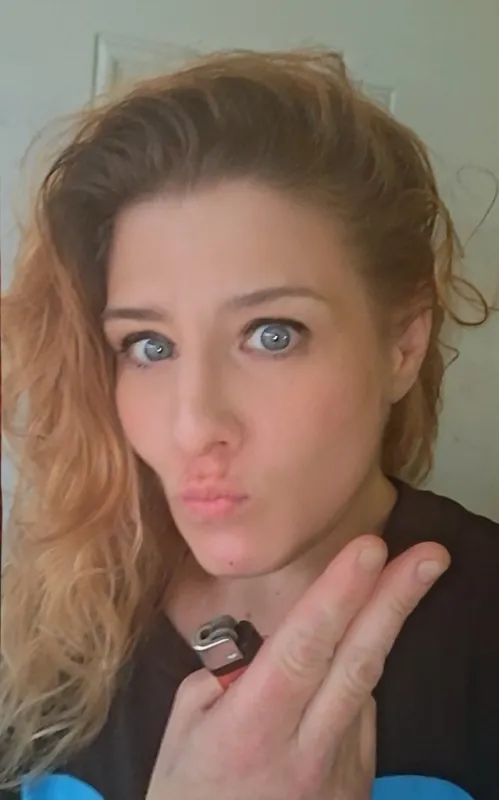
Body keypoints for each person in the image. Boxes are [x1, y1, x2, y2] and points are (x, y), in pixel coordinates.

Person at [0, 48, 498, 800]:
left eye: (272, 334)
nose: (193, 426)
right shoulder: (46, 618)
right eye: (149, 345)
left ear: (402, 346)